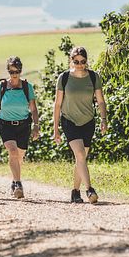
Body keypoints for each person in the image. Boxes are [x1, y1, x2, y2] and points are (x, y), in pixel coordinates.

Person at [53, 46, 107, 204]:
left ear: (86, 61)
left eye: (82, 61)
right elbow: (57, 105)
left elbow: (101, 100)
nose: (79, 64)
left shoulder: (93, 77)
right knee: (81, 155)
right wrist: (55, 129)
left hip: (88, 121)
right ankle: (90, 190)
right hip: (70, 121)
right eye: (76, 61)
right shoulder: (64, 78)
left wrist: (104, 119)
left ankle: (75, 191)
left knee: (81, 158)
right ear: (71, 61)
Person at [0, 56, 39, 198]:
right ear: (8, 71)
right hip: (5, 125)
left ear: (21, 70)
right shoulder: (3, 86)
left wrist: (36, 126)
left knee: (19, 155)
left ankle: (13, 180)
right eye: (11, 71)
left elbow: (34, 109)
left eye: (17, 71)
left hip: (24, 125)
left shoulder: (26, 87)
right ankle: (18, 183)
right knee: (13, 151)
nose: (14, 74)